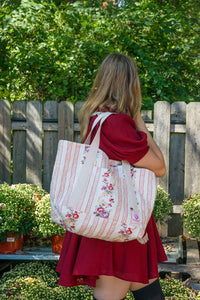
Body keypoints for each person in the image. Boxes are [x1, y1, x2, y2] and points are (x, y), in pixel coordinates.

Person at [56, 53, 167, 300]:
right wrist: (139, 120)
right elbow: (159, 166)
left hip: (114, 222)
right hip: (118, 228)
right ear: (131, 85)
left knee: (151, 294)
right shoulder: (116, 125)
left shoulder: (95, 120)